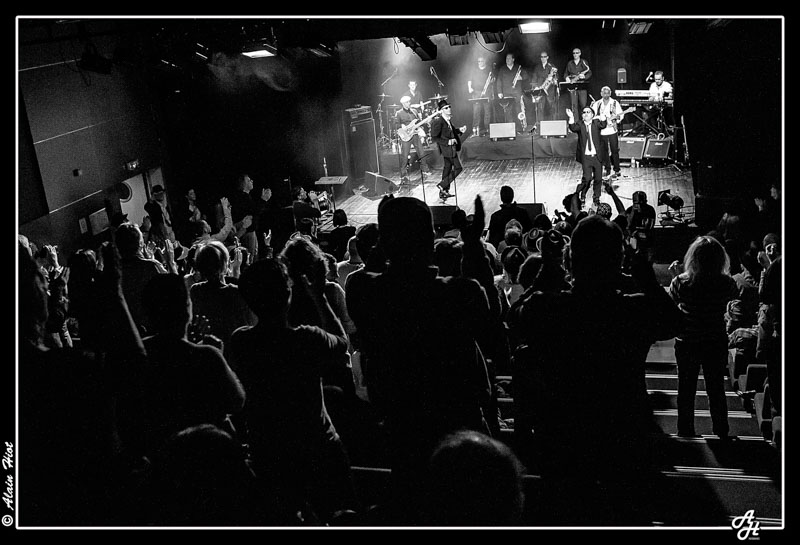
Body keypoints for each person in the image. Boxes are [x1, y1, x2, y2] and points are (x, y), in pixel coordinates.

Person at [509, 215, 683, 524]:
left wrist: (548, 267)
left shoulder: (547, 308)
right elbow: (675, 323)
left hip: (564, 435)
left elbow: (514, 318)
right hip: (623, 431)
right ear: (618, 261)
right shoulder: (633, 309)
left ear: (572, 260)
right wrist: (645, 277)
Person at [346, 195, 494, 522]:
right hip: (460, 432)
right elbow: (490, 319)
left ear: (386, 242)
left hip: (403, 435)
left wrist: (387, 234)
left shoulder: (364, 292)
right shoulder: (458, 294)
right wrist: (472, 245)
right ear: (430, 238)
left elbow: (370, 277)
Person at [668, 236, 739, 440]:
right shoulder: (726, 282)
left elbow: (672, 304)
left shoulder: (681, 282)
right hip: (715, 340)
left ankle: (685, 429)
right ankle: (721, 428)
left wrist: (676, 275)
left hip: (687, 341)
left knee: (686, 388)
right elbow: (732, 296)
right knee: (716, 387)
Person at [567, 105, 608, 208]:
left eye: (588, 112)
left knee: (598, 179)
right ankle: (582, 194)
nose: (586, 114)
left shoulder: (596, 123)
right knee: (587, 178)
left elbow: (603, 125)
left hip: (597, 156)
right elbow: (573, 128)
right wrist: (571, 117)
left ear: (592, 115)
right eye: (584, 112)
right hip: (586, 157)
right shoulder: (580, 125)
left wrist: (602, 114)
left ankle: (596, 197)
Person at [229, 173, 271, 264]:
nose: (252, 181)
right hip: (247, 233)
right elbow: (253, 211)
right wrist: (263, 200)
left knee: (253, 256)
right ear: (243, 184)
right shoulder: (242, 197)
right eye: (248, 180)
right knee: (250, 259)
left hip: (250, 232)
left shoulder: (246, 196)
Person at [429, 99, 466, 201]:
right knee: (458, 168)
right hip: (447, 149)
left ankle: (443, 192)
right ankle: (442, 185)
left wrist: (459, 130)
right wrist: (447, 142)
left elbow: (452, 131)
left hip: (450, 149)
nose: (449, 109)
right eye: (446, 108)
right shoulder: (439, 121)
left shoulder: (447, 120)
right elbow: (434, 137)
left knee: (447, 168)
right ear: (441, 110)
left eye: (449, 107)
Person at [591, 86, 629, 180]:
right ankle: (607, 168)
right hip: (602, 131)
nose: (606, 95)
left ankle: (617, 169)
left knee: (614, 150)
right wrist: (600, 120)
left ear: (610, 93)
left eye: (608, 93)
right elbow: (592, 115)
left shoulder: (615, 103)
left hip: (612, 130)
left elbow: (621, 115)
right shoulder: (597, 104)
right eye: (604, 93)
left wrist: (616, 119)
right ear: (601, 93)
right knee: (604, 151)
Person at [395, 95, 432, 183]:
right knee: (405, 155)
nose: (409, 103)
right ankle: (403, 174)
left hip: (415, 134)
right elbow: (396, 125)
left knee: (421, 152)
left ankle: (425, 170)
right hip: (406, 136)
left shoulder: (414, 111)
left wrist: (426, 121)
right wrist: (402, 126)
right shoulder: (399, 113)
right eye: (407, 102)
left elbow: (418, 122)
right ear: (403, 104)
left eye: (409, 101)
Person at [495, 52, 526, 133]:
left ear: (513, 59)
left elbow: (526, 76)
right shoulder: (502, 69)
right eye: (506, 58)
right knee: (508, 111)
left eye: (509, 58)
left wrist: (521, 77)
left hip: (517, 93)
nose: (507, 60)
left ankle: (519, 128)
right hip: (506, 93)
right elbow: (499, 81)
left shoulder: (518, 67)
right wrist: (499, 92)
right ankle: (510, 129)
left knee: (518, 110)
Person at [467, 55, 494, 137]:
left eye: (481, 61)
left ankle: (487, 128)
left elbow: (493, 79)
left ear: (485, 61)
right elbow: (469, 80)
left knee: (487, 111)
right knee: (476, 111)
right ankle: (475, 129)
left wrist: (492, 80)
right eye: (478, 61)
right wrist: (469, 88)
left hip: (487, 92)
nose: (480, 63)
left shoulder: (489, 69)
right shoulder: (474, 70)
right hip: (476, 92)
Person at [530, 51, 560, 124]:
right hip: (541, 89)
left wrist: (553, 80)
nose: (543, 58)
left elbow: (556, 77)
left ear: (547, 57)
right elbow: (534, 78)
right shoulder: (537, 67)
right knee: (540, 108)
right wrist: (535, 87)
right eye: (541, 57)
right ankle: (540, 125)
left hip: (550, 90)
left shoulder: (551, 66)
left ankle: (554, 124)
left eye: (544, 57)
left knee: (552, 107)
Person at [564, 47, 592, 114]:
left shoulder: (584, 62)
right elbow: (565, 73)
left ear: (580, 53)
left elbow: (589, 73)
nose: (575, 54)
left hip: (582, 87)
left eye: (577, 53)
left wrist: (584, 77)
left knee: (583, 105)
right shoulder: (570, 63)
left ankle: (584, 119)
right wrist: (566, 78)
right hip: (572, 87)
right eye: (574, 53)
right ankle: (575, 120)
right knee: (573, 106)